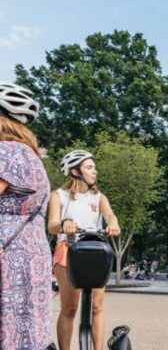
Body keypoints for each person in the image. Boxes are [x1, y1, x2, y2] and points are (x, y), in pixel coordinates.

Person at [47, 149, 122, 350]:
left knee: (97, 307)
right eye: (89, 167)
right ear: (75, 171)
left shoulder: (98, 197)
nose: (94, 171)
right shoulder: (59, 196)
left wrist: (113, 224)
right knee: (69, 308)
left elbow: (110, 216)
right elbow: (52, 224)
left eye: (94, 167)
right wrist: (65, 222)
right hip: (68, 250)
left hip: (94, 250)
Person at [0, 83, 55, 350]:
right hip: (30, 255)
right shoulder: (29, 155)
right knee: (28, 332)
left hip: (8, 260)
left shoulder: (5, 152)